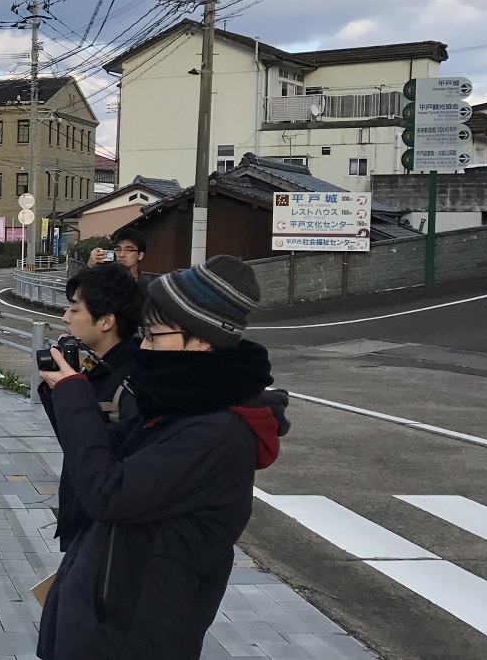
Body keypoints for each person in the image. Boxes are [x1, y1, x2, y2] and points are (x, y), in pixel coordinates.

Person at [35, 255, 290, 659]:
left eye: (154, 336)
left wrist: (74, 394)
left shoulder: (216, 434)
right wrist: (65, 394)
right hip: (111, 621)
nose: (145, 349)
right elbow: (108, 451)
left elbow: (107, 492)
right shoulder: (183, 407)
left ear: (202, 339)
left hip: (134, 635)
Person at [36, 263, 145, 550]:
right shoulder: (95, 369)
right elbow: (73, 443)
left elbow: (109, 457)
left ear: (106, 321)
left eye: (74, 309)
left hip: (108, 532)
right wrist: (60, 387)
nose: (65, 318)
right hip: (84, 515)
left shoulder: (132, 381)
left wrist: (71, 390)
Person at [87, 227, 157, 287]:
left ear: (140, 255)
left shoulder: (148, 289)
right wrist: (89, 266)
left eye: (128, 250)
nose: (121, 254)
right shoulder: (105, 281)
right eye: (118, 249)